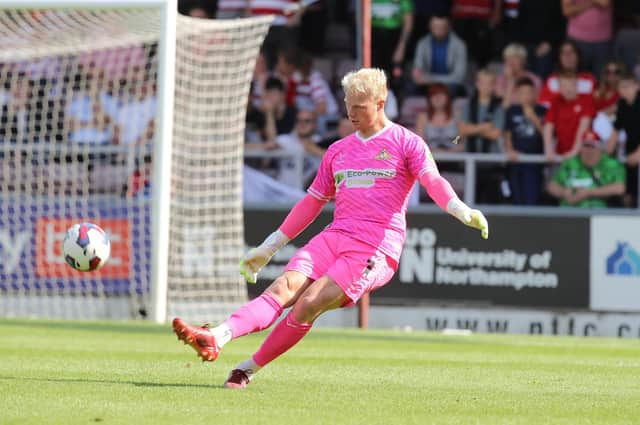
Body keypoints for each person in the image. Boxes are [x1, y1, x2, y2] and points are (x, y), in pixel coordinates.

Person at [172, 68, 489, 389]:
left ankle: (247, 369)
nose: (351, 113)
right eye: (348, 105)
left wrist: (459, 208)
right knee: (282, 288)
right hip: (334, 237)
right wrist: (268, 247)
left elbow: (432, 180)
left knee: (310, 302)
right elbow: (311, 203)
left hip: (375, 249)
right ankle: (216, 336)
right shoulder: (338, 151)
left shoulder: (407, 143)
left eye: (359, 107)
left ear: (381, 104)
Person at [458, 69, 506, 204]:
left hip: (492, 163)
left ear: (494, 85)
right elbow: (462, 130)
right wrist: (484, 127)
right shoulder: (469, 105)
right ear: (477, 84)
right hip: (471, 161)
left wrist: (473, 128)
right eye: (483, 83)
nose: (486, 86)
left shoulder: (499, 107)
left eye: (489, 83)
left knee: (493, 201)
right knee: (472, 201)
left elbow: (495, 134)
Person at [547, 129, 625, 207]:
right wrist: (564, 192)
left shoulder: (611, 164)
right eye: (586, 145)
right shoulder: (570, 163)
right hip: (568, 213)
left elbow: (619, 188)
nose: (588, 150)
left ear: (600, 148)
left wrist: (589, 193)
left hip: (598, 213)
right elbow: (552, 186)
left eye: (592, 146)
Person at [504, 77, 546, 205]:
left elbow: (547, 134)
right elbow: (507, 134)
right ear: (517, 95)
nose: (526, 96)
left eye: (529, 92)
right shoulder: (512, 111)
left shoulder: (542, 111)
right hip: (515, 161)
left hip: (534, 162)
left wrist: (533, 117)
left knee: (531, 199)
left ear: (535, 93)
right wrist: (510, 150)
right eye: (522, 93)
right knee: (516, 198)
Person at [411, 14, 468, 98]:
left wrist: (431, 79)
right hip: (426, 83)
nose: (438, 30)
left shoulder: (459, 45)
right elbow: (418, 67)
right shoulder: (422, 43)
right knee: (412, 88)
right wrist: (417, 74)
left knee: (453, 89)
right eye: (435, 26)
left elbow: (459, 77)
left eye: (442, 27)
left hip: (450, 84)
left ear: (449, 27)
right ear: (430, 26)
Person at [543, 71, 595, 161]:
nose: (568, 89)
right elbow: (548, 127)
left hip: (582, 154)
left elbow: (584, 127)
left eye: (571, 85)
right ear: (559, 87)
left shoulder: (586, 100)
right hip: (561, 153)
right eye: (564, 86)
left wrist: (575, 151)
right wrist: (548, 150)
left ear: (576, 85)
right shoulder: (556, 102)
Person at [606, 73, 640, 208]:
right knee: (628, 190)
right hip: (630, 151)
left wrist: (638, 154)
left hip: (637, 152)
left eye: (627, 86)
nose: (624, 90)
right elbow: (616, 130)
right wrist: (606, 154)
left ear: (637, 86)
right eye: (621, 87)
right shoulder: (622, 104)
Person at [538, 40, 597, 109]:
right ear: (559, 58)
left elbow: (595, 104)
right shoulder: (552, 79)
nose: (567, 56)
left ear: (578, 56)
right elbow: (543, 105)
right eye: (563, 53)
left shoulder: (589, 79)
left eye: (571, 52)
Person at [562, 0, 613, 77]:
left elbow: (604, 2)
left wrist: (580, 4)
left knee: (601, 78)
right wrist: (591, 4)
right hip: (576, 39)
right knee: (576, 77)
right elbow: (567, 11)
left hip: (602, 40)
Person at [495, 43, 542, 108]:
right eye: (508, 58)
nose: (511, 62)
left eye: (515, 58)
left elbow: (535, 103)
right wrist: (510, 80)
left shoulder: (534, 79)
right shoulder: (500, 79)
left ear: (523, 61)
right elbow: (503, 107)